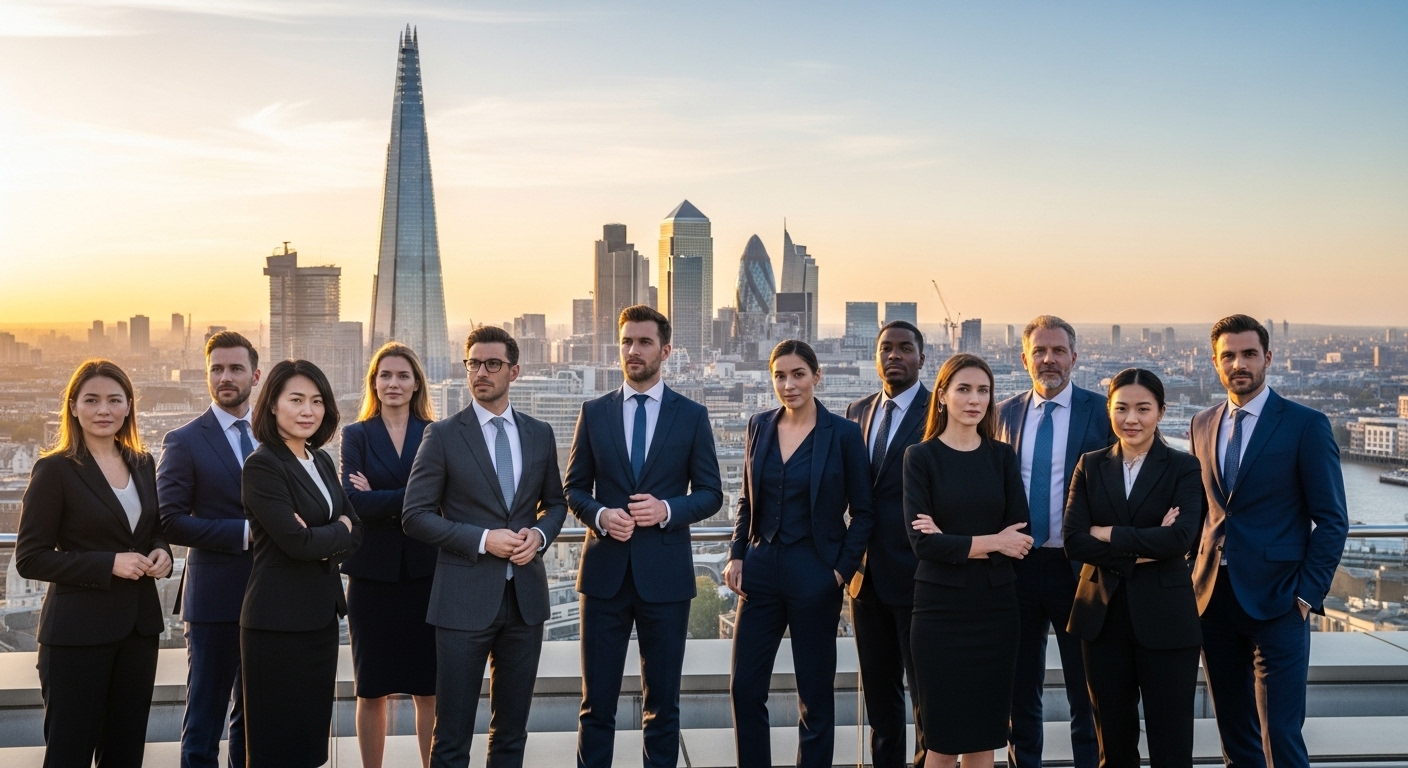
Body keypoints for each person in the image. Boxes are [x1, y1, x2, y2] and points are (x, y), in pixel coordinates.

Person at [403, 326, 569, 768]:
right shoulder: (442, 435)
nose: (480, 372)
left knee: (512, 733)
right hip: (462, 603)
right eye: (473, 363)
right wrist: (482, 540)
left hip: (525, 602)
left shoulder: (539, 433)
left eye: (492, 364)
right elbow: (414, 515)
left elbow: (555, 503)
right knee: (452, 735)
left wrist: (539, 535)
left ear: (514, 371)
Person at [566, 305, 724, 768]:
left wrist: (668, 510)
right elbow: (573, 489)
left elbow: (712, 493)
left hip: (666, 579)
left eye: (645, 342)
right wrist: (599, 515)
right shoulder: (593, 412)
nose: (633, 351)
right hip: (603, 579)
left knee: (664, 706)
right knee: (596, 706)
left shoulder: (692, 415)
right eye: (627, 342)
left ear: (666, 350)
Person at [1190, 315, 1347, 768]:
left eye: (1249, 354)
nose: (1239, 364)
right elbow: (1207, 511)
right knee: (1234, 734)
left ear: (1268, 358)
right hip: (1212, 602)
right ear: (1216, 363)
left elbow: (1332, 520)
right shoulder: (1202, 424)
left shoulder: (1306, 425)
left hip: (1279, 602)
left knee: (1280, 734)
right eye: (1228, 356)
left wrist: (1305, 595)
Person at [724, 340, 873, 768]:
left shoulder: (843, 433)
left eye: (798, 375)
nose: (788, 385)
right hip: (761, 569)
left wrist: (839, 573)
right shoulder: (759, 425)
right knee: (745, 686)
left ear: (816, 376)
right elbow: (746, 501)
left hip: (816, 572)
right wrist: (737, 554)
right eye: (780, 376)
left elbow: (863, 513)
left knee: (814, 693)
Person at [17, 359, 173, 768]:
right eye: (92, 400)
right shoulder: (54, 470)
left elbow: (150, 530)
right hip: (76, 635)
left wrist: (162, 553)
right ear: (73, 407)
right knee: (69, 752)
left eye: (114, 400)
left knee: (125, 753)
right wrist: (108, 564)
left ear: (128, 407)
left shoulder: (142, 463)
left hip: (138, 630)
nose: (103, 409)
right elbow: (30, 558)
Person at [1063, 368, 1204, 768]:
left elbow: (1181, 540)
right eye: (1121, 408)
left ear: (1160, 411)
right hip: (1101, 619)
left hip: (1167, 620)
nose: (1132, 419)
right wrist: (1148, 542)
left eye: (1143, 408)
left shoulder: (1183, 467)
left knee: (1172, 743)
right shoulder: (1089, 465)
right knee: (1113, 743)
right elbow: (1074, 541)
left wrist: (1106, 533)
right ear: (1109, 409)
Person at [994, 315, 1111, 768]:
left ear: (1074, 358)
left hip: (1078, 568)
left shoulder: (1101, 411)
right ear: (1024, 359)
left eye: (1058, 350)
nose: (1049, 359)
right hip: (1017, 566)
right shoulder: (1001, 414)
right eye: (1040, 351)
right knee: (1019, 688)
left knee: (1089, 689)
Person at [906, 353, 1032, 768]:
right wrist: (993, 540)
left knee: (985, 738)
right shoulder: (920, 458)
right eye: (963, 389)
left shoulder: (1002, 457)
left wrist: (956, 541)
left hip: (996, 609)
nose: (974, 399)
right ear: (942, 395)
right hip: (940, 612)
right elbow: (923, 545)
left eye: (983, 390)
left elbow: (1020, 537)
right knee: (941, 741)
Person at [240, 359, 364, 768]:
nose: (308, 410)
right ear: (272, 404)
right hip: (275, 624)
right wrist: (336, 530)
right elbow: (296, 544)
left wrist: (327, 535)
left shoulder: (321, 460)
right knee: (276, 747)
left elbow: (356, 530)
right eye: (296, 399)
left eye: (316, 401)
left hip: (320, 619)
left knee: (311, 743)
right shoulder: (263, 465)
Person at [157, 331, 260, 768]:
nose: (225, 377)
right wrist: (244, 533)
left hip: (268, 597)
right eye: (216, 369)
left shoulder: (275, 434)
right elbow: (169, 519)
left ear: (256, 375)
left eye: (235, 368)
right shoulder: (183, 440)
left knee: (253, 722)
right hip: (213, 600)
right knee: (203, 721)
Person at [341, 342, 440, 768]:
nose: (393, 383)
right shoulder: (356, 434)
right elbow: (352, 503)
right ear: (374, 383)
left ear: (416, 382)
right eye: (385, 376)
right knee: (371, 688)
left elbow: (443, 500)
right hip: (371, 577)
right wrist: (413, 499)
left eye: (402, 375)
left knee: (428, 689)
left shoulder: (438, 432)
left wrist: (381, 496)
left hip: (427, 575)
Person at [845, 321, 930, 768]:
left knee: (925, 696)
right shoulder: (857, 411)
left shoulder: (939, 411)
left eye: (905, 348)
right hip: (865, 578)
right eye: (886, 348)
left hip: (919, 573)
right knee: (879, 698)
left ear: (921, 356)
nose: (894, 355)